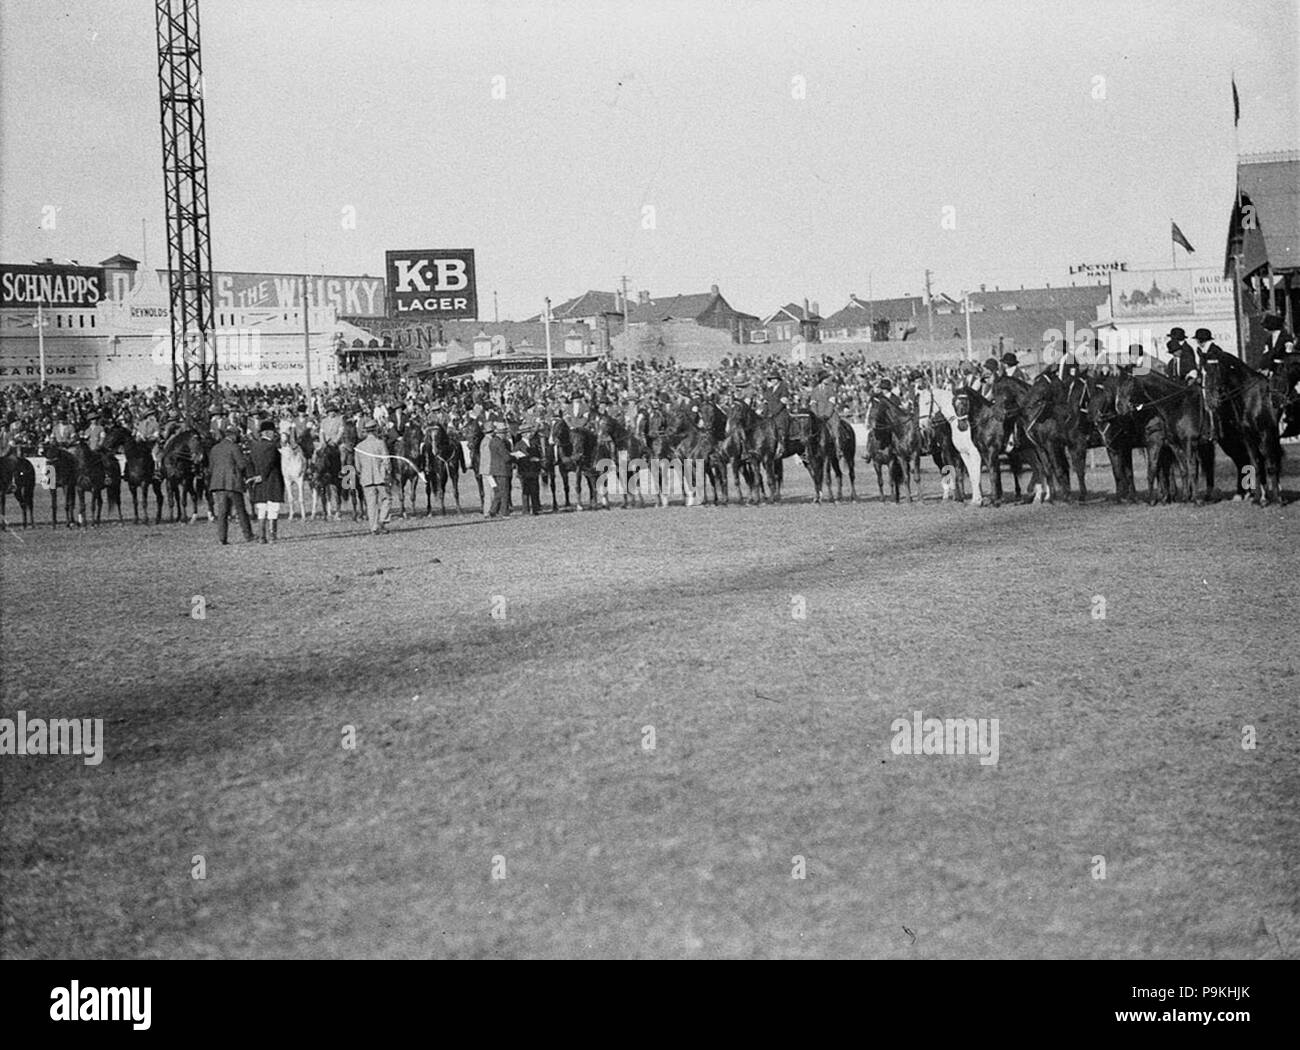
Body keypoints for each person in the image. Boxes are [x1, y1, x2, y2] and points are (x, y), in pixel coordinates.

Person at [208, 424, 255, 545]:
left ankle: (222, 538)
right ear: (233, 436)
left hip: (218, 484)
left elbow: (211, 467)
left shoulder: (215, 448)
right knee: (241, 510)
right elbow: (242, 465)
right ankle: (248, 535)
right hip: (233, 483)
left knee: (222, 512)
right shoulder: (235, 447)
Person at [247, 419, 285, 544]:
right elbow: (270, 464)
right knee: (273, 508)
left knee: (261, 508)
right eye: (273, 432)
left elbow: (249, 463)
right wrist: (262, 476)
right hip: (272, 480)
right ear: (268, 432)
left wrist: (253, 476)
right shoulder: (272, 446)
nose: (274, 434)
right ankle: (272, 536)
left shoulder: (254, 446)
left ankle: (262, 536)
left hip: (258, 482)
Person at [355, 418, 391, 535]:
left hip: (366, 479)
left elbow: (357, 466)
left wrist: (362, 473)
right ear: (375, 430)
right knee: (387, 499)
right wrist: (388, 473)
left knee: (371, 504)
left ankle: (373, 527)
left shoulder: (359, 446)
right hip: (380, 478)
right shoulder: (380, 443)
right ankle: (382, 520)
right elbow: (386, 461)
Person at [479, 420, 512, 518]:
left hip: (491, 470)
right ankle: (489, 511)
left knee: (496, 492)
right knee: (491, 493)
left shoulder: (488, 441)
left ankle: (492, 511)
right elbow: (487, 458)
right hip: (490, 470)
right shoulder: (488, 441)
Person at [514, 425, 543, 515]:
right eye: (528, 432)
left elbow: (539, 455)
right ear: (524, 434)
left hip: (534, 470)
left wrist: (539, 465)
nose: (530, 434)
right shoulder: (519, 444)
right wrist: (529, 459)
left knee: (535, 490)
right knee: (526, 491)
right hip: (524, 471)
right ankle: (525, 509)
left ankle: (536, 508)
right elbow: (515, 457)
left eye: (530, 432)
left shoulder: (534, 443)